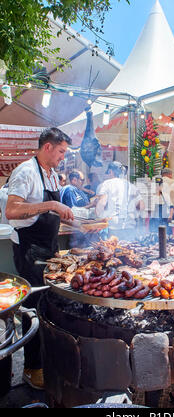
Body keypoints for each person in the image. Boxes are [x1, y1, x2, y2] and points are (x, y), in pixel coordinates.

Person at [6, 127, 74, 390]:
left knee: (50, 305)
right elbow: (12, 210)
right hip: (29, 251)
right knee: (33, 308)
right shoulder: (26, 171)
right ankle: (31, 368)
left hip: (49, 250)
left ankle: (49, 360)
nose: (62, 157)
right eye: (60, 151)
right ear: (47, 147)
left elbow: (56, 214)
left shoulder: (52, 174)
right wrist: (52, 205)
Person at [96, 161, 144, 240]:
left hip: (114, 228)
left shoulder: (107, 183)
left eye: (108, 173)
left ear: (111, 171)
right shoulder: (131, 185)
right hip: (130, 227)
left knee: (113, 250)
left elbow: (102, 203)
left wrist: (98, 219)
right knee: (128, 250)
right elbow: (141, 206)